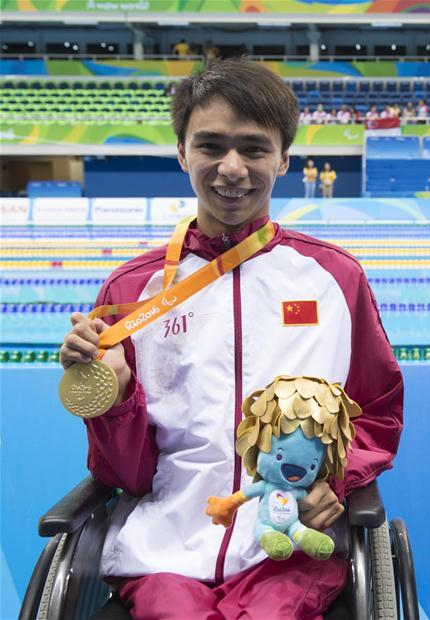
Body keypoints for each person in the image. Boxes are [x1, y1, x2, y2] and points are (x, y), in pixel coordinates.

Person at [58, 58, 403, 619]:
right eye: (211, 146)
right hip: (164, 549)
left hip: (290, 544)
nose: (232, 168)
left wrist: (336, 479)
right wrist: (113, 398)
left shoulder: (335, 279)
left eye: (254, 148)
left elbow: (379, 409)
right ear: (182, 153)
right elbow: (127, 475)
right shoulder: (131, 292)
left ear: (284, 158)